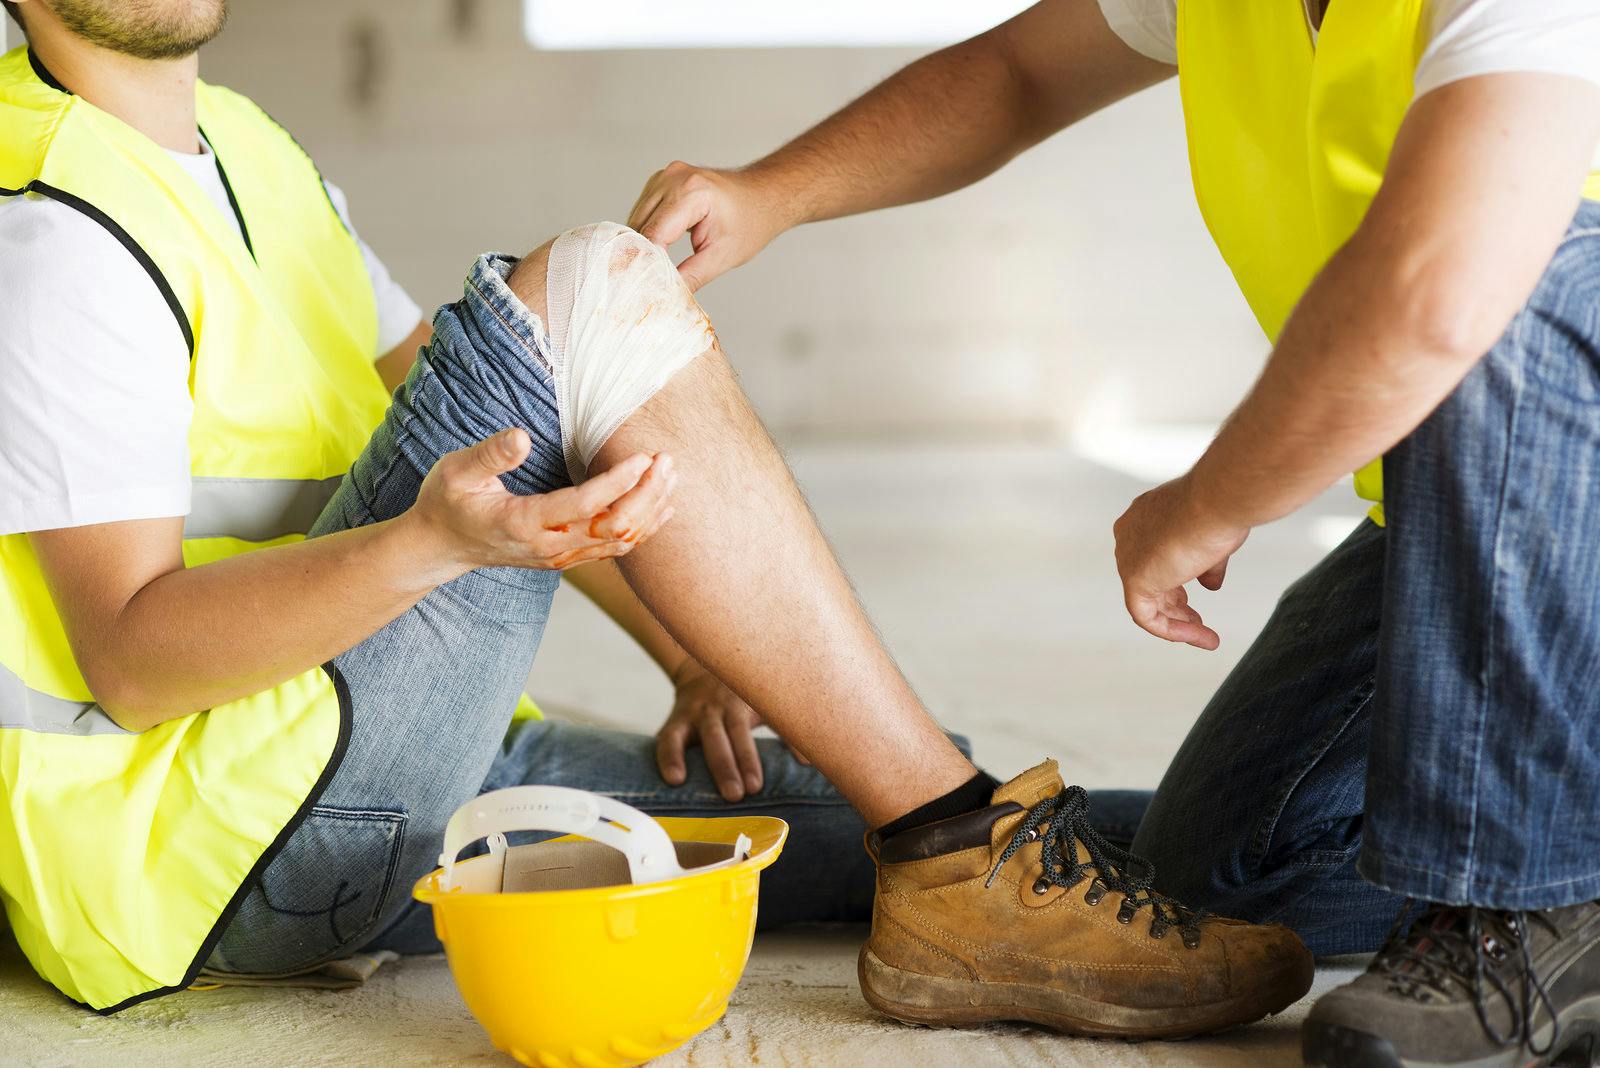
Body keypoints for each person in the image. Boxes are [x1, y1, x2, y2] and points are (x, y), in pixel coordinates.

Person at [0, 0, 1311, 1041]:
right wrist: (427, 548)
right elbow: (130, 655)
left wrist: (693, 654)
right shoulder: (55, 223)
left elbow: (481, 409)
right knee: (590, 282)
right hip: (220, 850)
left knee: (1100, 845)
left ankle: (1451, 909)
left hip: (380, 770)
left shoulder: (246, 150)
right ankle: (959, 842)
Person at [629, 1, 1600, 1064]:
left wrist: (1213, 497)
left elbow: (1441, 297)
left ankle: (1523, 902)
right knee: (1215, 882)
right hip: (1467, 513)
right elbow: (1018, 72)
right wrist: (769, 193)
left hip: (1568, 487)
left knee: (1517, 258)